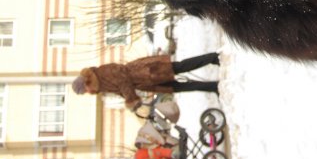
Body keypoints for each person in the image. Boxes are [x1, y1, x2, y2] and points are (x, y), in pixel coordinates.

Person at [71, 53, 220, 110]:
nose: (87, 92)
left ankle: (213, 58)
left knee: (179, 67)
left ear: (86, 83)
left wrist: (130, 99)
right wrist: (131, 101)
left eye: (84, 90)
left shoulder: (101, 73)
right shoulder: (101, 85)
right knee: (178, 87)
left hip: (145, 72)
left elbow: (123, 79)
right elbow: (122, 89)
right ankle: (213, 86)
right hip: (146, 81)